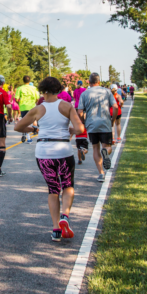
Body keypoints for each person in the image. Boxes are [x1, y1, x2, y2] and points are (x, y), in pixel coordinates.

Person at [14, 76, 84, 242]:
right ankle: (65, 216)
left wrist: (35, 128)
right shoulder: (66, 106)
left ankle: (55, 230)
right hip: (63, 150)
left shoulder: (38, 109)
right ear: (58, 90)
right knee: (67, 186)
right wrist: (69, 130)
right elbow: (80, 128)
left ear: (42, 91)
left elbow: (18, 127)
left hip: (44, 152)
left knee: (53, 189)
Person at [77, 73, 118, 182]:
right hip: (105, 123)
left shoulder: (85, 94)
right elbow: (115, 106)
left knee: (95, 148)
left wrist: (84, 122)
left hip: (91, 124)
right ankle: (105, 151)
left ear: (89, 82)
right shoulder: (107, 91)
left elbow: (80, 111)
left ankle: (101, 173)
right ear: (99, 81)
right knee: (107, 146)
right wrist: (112, 120)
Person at [15, 76, 40, 143]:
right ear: (30, 81)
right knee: (34, 120)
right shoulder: (34, 88)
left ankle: (28, 138)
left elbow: (16, 99)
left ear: (23, 81)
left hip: (23, 107)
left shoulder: (19, 88)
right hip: (32, 106)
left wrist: (19, 103)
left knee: (25, 123)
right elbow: (37, 99)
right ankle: (36, 132)